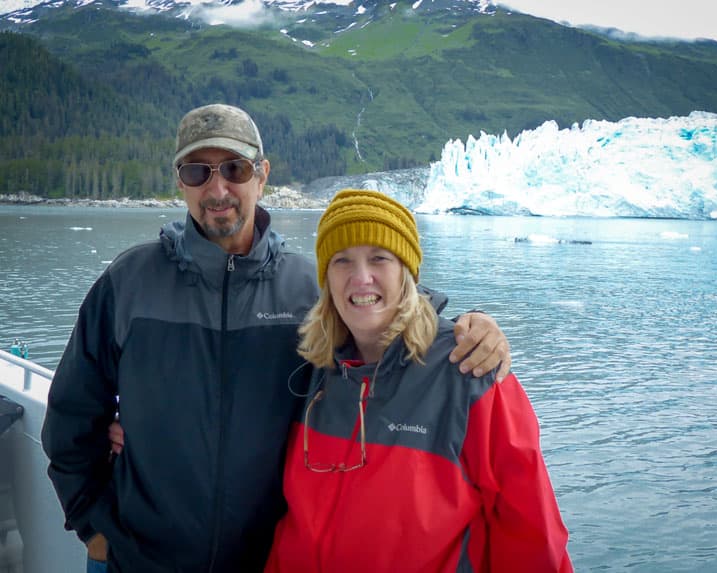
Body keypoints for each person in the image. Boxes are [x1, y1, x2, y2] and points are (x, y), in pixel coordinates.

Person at [40, 104, 512, 573]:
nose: (217, 187)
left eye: (235, 168)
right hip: (136, 561)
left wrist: (473, 323)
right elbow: (71, 415)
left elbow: (383, 308)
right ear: (180, 182)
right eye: (198, 171)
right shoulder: (130, 283)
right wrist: (93, 527)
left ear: (261, 175)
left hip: (262, 562)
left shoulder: (305, 291)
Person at [265, 190, 572, 573]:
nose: (361, 278)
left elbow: (531, 530)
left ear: (408, 272)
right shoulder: (311, 369)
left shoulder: (468, 371)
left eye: (380, 258)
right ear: (326, 277)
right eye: (342, 260)